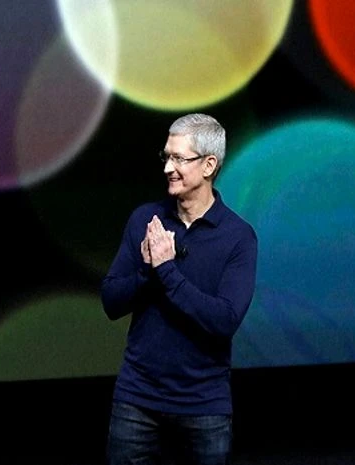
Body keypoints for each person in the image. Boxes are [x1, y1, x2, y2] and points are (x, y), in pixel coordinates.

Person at [101, 113, 258, 465]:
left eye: (179, 158)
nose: (168, 168)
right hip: (136, 400)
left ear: (209, 165)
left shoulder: (238, 237)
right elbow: (111, 301)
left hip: (204, 407)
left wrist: (167, 270)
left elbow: (224, 320)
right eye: (166, 156)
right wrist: (147, 271)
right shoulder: (146, 220)